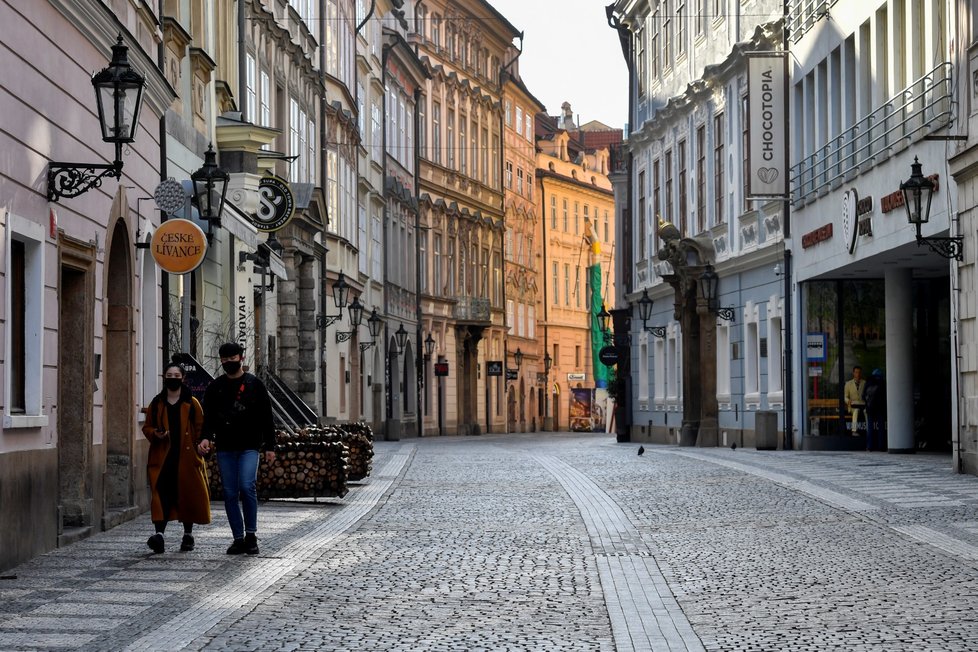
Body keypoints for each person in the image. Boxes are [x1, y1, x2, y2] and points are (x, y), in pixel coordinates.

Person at [198, 343, 276, 555]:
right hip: (225, 447)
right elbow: (209, 418)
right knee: (230, 493)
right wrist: (205, 438)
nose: (228, 362)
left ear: (241, 358)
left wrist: (270, 445)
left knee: (247, 485)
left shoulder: (255, 385)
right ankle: (238, 538)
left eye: (232, 358)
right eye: (224, 359)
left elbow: (266, 417)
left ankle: (251, 534)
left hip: (250, 446)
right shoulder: (215, 387)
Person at [141, 362, 211, 553]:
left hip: (187, 457)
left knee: (186, 495)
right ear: (164, 378)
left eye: (176, 375)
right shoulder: (157, 403)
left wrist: (202, 446)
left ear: (183, 378)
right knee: (161, 495)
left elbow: (200, 428)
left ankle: (188, 535)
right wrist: (157, 434)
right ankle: (159, 535)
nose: (173, 378)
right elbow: (147, 427)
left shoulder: (192, 403)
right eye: (169, 375)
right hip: (163, 458)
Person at [864, 368, 887, 451]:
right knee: (881, 428)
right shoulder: (882, 383)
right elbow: (885, 397)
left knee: (870, 428)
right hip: (880, 409)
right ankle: (881, 446)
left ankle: (870, 446)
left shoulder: (868, 383)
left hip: (870, 408)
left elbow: (864, 396)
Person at [844, 365, 867, 437]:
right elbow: (845, 396)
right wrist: (848, 401)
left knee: (867, 411)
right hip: (853, 406)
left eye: (859, 372)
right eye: (856, 372)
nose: (858, 374)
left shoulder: (864, 383)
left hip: (863, 404)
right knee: (856, 410)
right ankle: (854, 431)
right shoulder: (848, 384)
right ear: (853, 373)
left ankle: (869, 430)